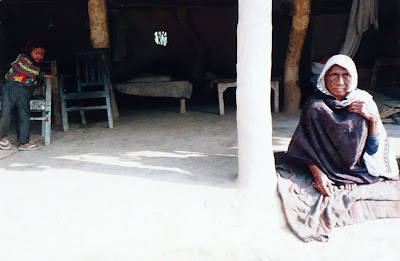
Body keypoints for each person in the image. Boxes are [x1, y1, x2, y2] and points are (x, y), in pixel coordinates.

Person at [287, 54, 399, 196]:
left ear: (353, 78)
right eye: (334, 75)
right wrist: (318, 174)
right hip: (324, 166)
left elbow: (373, 149)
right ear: (324, 78)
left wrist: (374, 119)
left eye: (346, 75)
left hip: (357, 167)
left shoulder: (363, 102)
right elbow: (303, 148)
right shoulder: (315, 106)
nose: (340, 82)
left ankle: (348, 173)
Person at [0, 39, 52, 151]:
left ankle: (24, 142)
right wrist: (42, 74)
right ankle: (2, 137)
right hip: (10, 87)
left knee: (24, 116)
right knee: (5, 113)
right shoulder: (22, 59)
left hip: (24, 91)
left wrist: (39, 96)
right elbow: (27, 69)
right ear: (30, 51)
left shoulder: (36, 69)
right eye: (36, 53)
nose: (39, 56)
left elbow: (36, 85)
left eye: (42, 54)